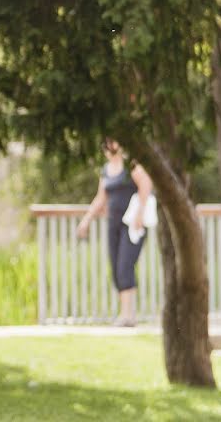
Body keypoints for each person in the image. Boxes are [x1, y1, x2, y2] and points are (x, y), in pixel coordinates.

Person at [76, 139, 153, 327]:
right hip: (113, 223)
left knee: (125, 264)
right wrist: (86, 220)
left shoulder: (131, 165)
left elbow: (146, 185)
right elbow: (100, 198)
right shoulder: (105, 170)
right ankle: (124, 312)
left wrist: (141, 214)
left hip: (132, 222)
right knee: (115, 265)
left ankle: (128, 315)